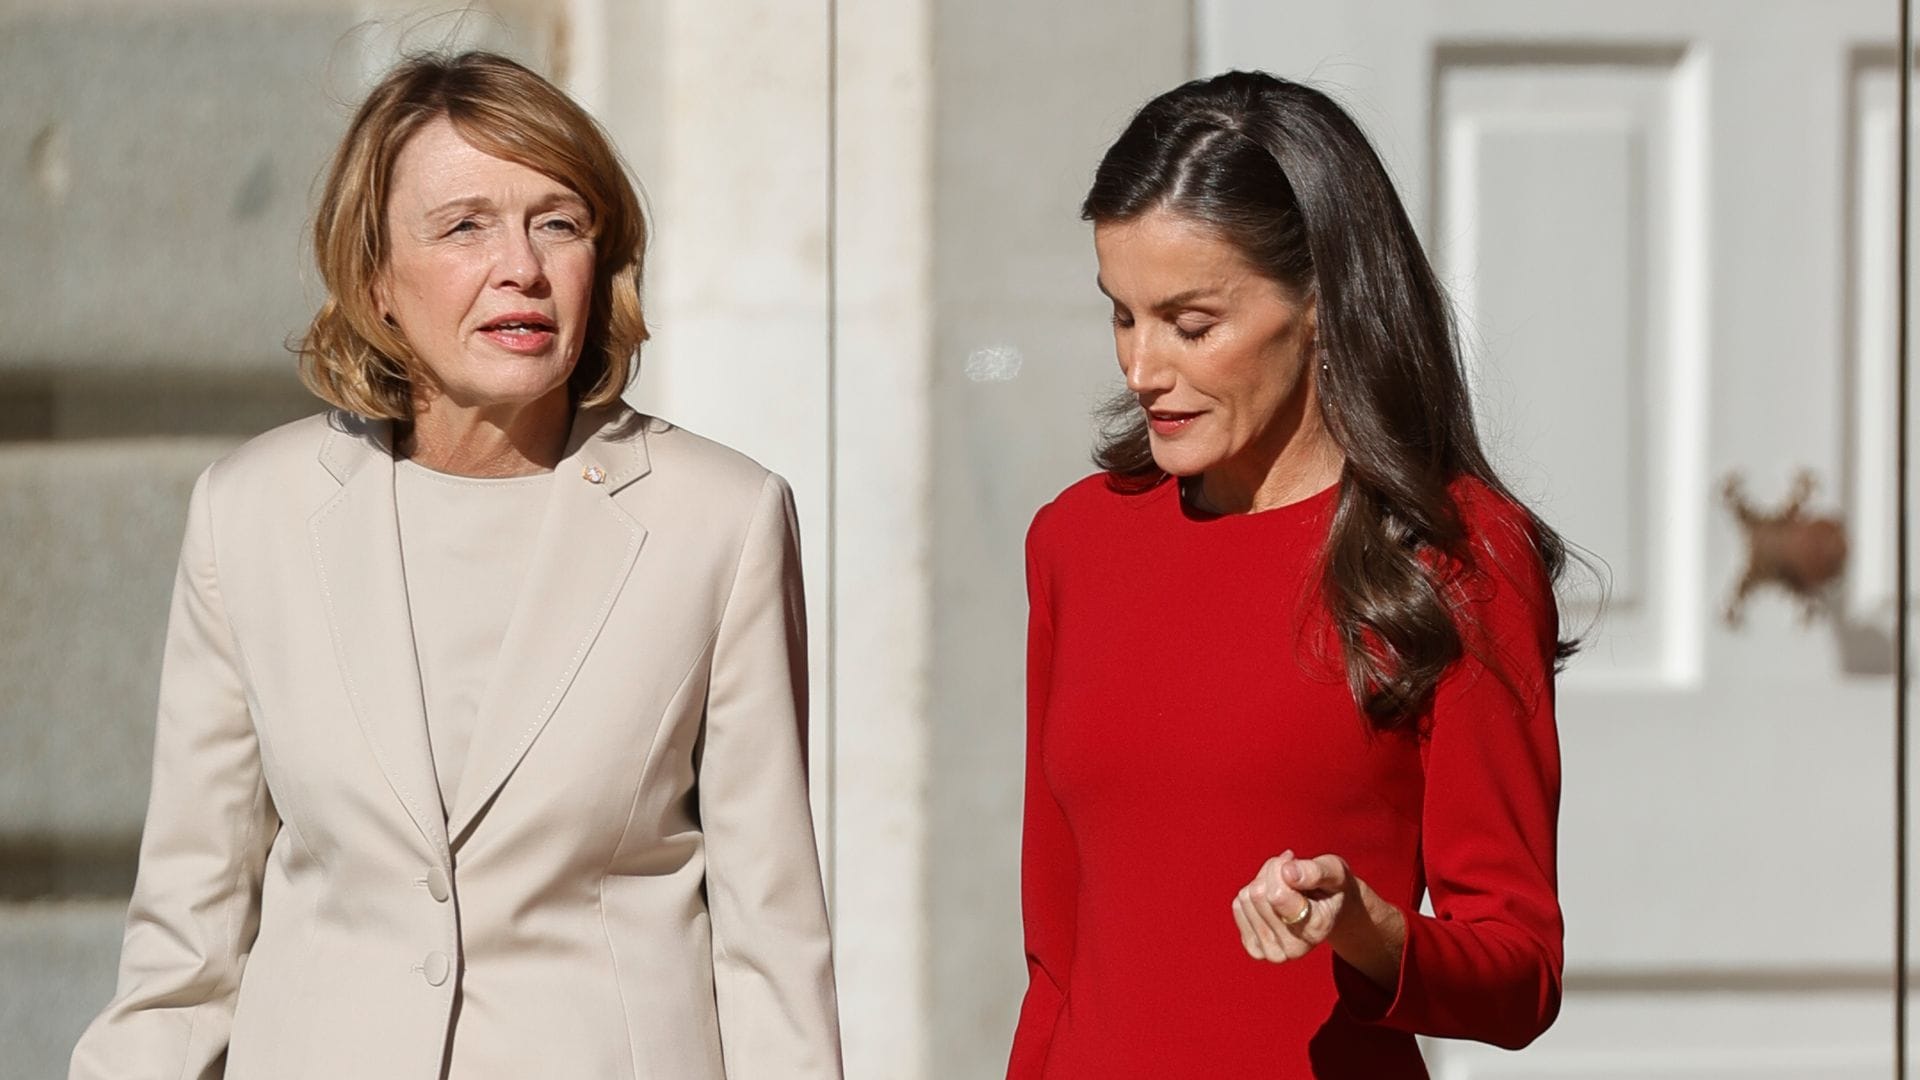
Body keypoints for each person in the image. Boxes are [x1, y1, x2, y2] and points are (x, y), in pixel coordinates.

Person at [70, 51, 842, 1080]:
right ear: (376, 277)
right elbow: (185, 949)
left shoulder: (723, 520)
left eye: (557, 221)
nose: (519, 265)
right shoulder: (249, 514)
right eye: (464, 224)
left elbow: (771, 953)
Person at [1009, 70, 1571, 1078]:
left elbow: (1521, 971)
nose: (1141, 367)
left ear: (1319, 300)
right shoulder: (1076, 542)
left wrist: (1368, 928)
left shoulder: (1459, 556)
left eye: (1190, 324)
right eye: (1122, 316)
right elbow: (1056, 964)